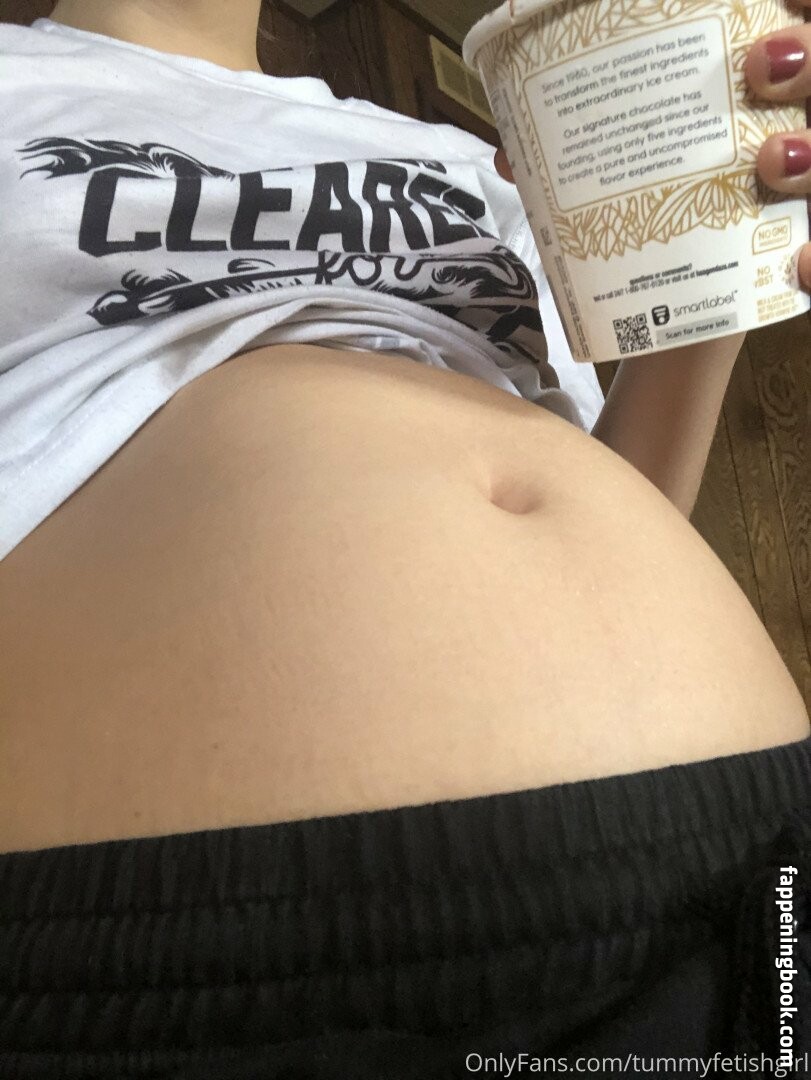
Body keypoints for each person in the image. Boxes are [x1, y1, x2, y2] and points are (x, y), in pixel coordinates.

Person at [0, 1, 809, 1076]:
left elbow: (617, 503)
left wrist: (713, 277)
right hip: (220, 919)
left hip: (742, 849)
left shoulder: (468, 166)